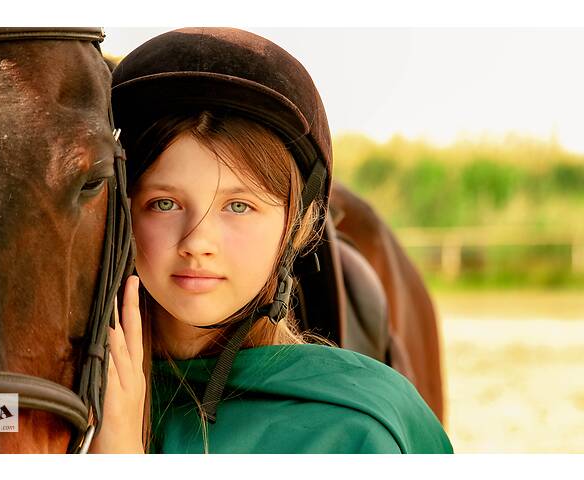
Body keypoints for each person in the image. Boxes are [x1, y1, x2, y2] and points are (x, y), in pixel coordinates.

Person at [89, 27, 453, 454]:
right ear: (122, 210)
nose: (198, 242)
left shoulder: (359, 433)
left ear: (297, 225)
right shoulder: (31, 390)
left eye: (239, 206)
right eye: (164, 203)